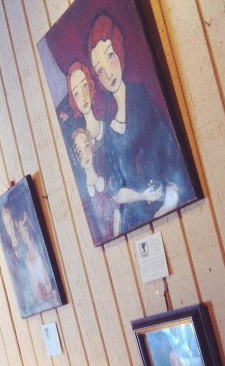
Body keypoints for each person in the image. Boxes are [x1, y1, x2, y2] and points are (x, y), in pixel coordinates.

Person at [87, 14, 194, 235]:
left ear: (119, 51)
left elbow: (171, 153)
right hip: (135, 222)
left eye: (110, 56)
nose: (108, 73)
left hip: (167, 209)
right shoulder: (108, 126)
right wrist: (142, 195)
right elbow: (116, 189)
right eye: (99, 70)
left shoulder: (141, 97)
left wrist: (169, 201)